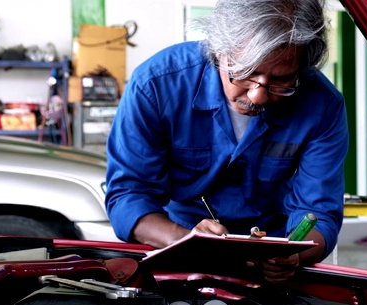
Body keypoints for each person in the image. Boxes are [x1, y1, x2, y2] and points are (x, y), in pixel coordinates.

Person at [105, 0, 348, 282]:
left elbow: (318, 211)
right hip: (178, 247)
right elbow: (128, 197)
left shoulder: (322, 105)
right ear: (218, 50)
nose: (257, 96)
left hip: (272, 261)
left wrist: (295, 254)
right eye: (245, 73)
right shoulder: (156, 85)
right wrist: (186, 240)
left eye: (281, 80)